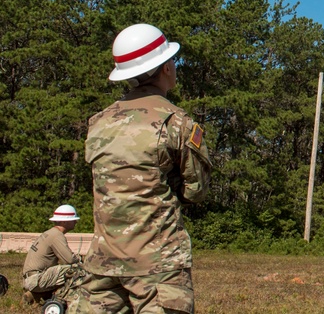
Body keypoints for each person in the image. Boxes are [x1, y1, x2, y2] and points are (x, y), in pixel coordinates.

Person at [80, 23, 212, 314]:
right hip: (158, 265)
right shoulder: (177, 122)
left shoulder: (98, 122)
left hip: (102, 265)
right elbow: (196, 191)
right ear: (165, 67)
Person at [21, 205, 86, 306]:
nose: (76, 222)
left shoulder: (50, 233)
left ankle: (34, 296)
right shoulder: (57, 235)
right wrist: (82, 259)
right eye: (73, 220)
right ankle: (62, 299)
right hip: (36, 279)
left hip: (31, 278)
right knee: (77, 269)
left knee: (63, 271)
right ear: (64, 222)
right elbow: (69, 260)